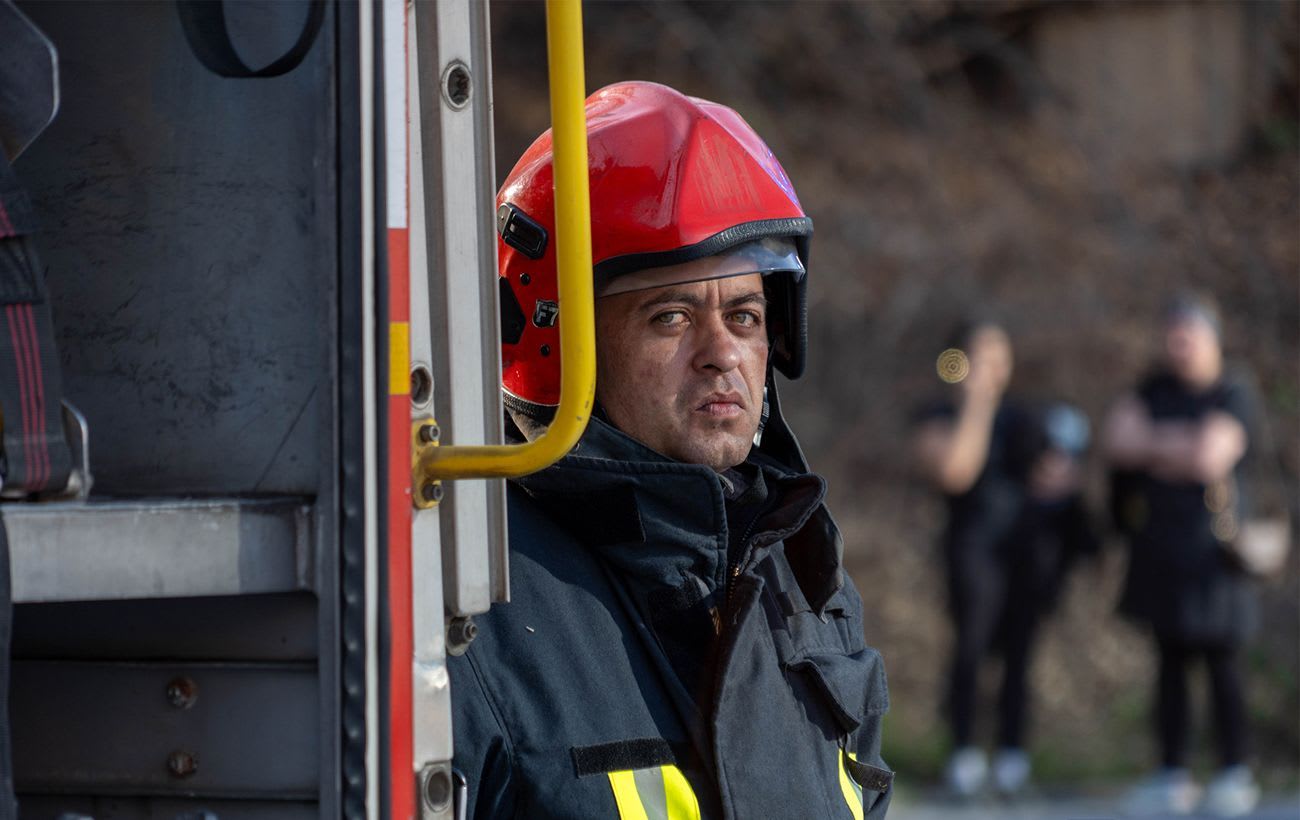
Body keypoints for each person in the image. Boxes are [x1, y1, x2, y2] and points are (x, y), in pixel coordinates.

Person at [449, 81, 892, 819]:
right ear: (561, 346)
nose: (723, 355)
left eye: (745, 316)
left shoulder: (806, 581)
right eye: (672, 316)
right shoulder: (472, 597)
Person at [913, 320, 1094, 798]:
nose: (992, 368)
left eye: (1000, 357)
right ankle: (964, 754)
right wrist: (976, 403)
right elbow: (956, 471)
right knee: (970, 647)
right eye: (982, 356)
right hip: (971, 548)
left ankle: (1013, 756)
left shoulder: (1026, 417)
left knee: (1020, 653)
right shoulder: (940, 413)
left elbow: (1059, 476)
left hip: (1022, 553)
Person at [1105, 293, 1261, 818]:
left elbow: (1208, 455)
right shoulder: (1151, 388)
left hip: (1216, 554)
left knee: (1223, 664)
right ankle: (1172, 773)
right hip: (1162, 550)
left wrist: (1156, 445)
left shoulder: (1235, 391)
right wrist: (1176, 445)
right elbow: (1118, 441)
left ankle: (1234, 772)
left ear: (1212, 337)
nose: (1180, 346)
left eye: (1189, 335)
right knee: (1169, 664)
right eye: (1172, 336)